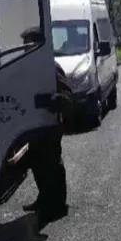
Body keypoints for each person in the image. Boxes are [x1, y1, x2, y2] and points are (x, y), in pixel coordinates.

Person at [22, 63, 73, 224]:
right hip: (33, 124)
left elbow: (67, 95)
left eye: (32, 42)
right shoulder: (27, 66)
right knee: (36, 163)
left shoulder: (51, 67)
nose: (28, 47)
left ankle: (58, 206)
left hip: (51, 124)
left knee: (52, 163)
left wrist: (56, 99)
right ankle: (43, 200)